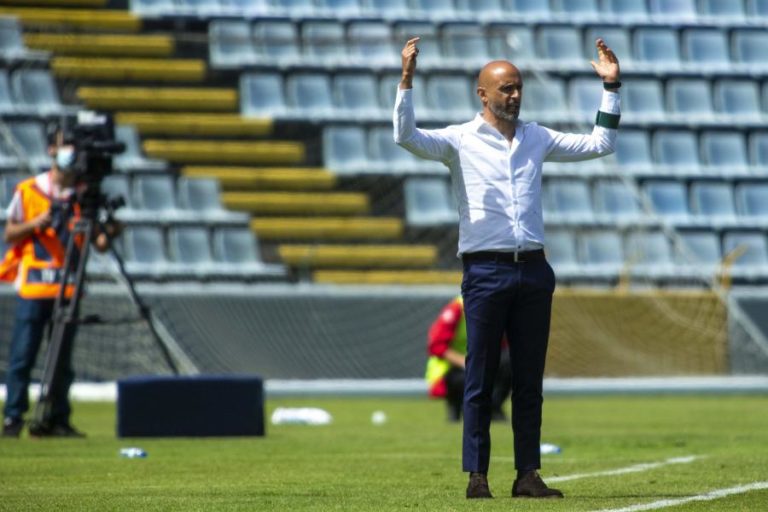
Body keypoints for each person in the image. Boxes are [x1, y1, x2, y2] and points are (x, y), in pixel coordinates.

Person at [394, 37, 621, 499]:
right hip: (485, 272)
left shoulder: (537, 136)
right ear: (483, 94)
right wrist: (406, 81)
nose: (514, 95)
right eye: (505, 89)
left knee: (528, 380)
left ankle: (528, 475)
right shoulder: (459, 139)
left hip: (534, 270)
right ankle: (477, 477)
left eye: (517, 88)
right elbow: (406, 137)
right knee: (478, 377)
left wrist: (611, 88)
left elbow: (602, 143)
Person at [1, 124, 121, 438]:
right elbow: (10, 233)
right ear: (51, 150)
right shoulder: (28, 190)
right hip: (34, 285)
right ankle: (14, 418)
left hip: (67, 287)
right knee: (22, 356)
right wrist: (35, 223)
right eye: (64, 144)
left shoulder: (82, 196)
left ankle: (57, 418)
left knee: (63, 362)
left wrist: (111, 225)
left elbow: (102, 244)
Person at [426, 295, 511, 423]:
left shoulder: (494, 309)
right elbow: (436, 346)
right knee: (471, 377)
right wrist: (467, 362)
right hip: (451, 370)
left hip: (480, 363)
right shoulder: (456, 310)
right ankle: (457, 405)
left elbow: (502, 345)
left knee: (509, 363)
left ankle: (493, 407)